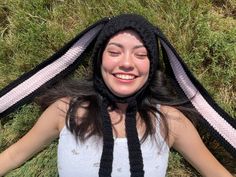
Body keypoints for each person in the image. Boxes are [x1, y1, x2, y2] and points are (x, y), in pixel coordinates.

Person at [0, 14, 235, 177]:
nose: (126, 63)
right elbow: (13, 156)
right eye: (114, 52)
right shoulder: (66, 111)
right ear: (99, 59)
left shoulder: (170, 122)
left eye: (140, 55)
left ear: (151, 67)